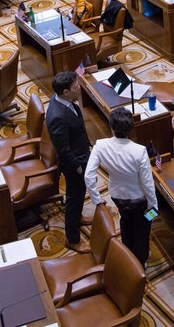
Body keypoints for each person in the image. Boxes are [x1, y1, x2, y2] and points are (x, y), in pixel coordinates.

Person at [84, 108, 157, 267]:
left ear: (111, 127)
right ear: (131, 129)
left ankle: (128, 256)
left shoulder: (100, 145)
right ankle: (140, 262)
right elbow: (147, 183)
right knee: (143, 229)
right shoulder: (139, 151)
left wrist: (97, 200)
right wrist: (154, 206)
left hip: (117, 197)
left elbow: (88, 176)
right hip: (140, 200)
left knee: (125, 222)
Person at [46, 71, 93, 253]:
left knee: (80, 194)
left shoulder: (59, 100)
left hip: (80, 153)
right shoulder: (58, 117)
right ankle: (73, 240)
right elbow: (63, 150)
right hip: (74, 164)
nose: (78, 88)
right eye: (75, 87)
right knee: (73, 199)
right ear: (65, 92)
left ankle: (79, 217)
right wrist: (78, 167)